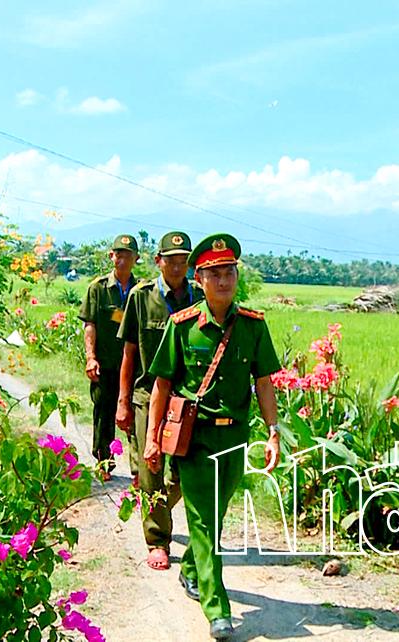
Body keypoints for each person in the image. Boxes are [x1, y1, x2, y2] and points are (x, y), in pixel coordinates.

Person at [144, 233, 282, 640]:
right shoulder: (182, 326)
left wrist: (273, 434)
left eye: (230, 273)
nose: (224, 281)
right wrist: (153, 438)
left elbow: (264, 382)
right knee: (203, 521)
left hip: (235, 440)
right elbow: (161, 387)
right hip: (196, 440)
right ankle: (217, 608)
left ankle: (191, 569)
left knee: (215, 518)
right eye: (215, 274)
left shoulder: (254, 327)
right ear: (199, 279)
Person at [116, 231, 202, 571]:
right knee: (150, 467)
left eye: (184, 261)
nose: (178, 266)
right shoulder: (142, 297)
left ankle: (158, 507)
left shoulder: (199, 296)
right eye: (172, 260)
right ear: (158, 262)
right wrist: (123, 401)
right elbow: (129, 352)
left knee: (181, 469)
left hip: (186, 397)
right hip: (145, 394)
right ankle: (157, 540)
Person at [77, 234, 140, 478]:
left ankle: (138, 469)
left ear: (136, 258)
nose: (122, 260)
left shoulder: (141, 290)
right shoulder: (98, 288)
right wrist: (90, 357)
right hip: (106, 362)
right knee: (103, 413)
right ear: (111, 256)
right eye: (118, 254)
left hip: (134, 365)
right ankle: (104, 463)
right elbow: (89, 324)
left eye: (127, 255)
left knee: (134, 414)